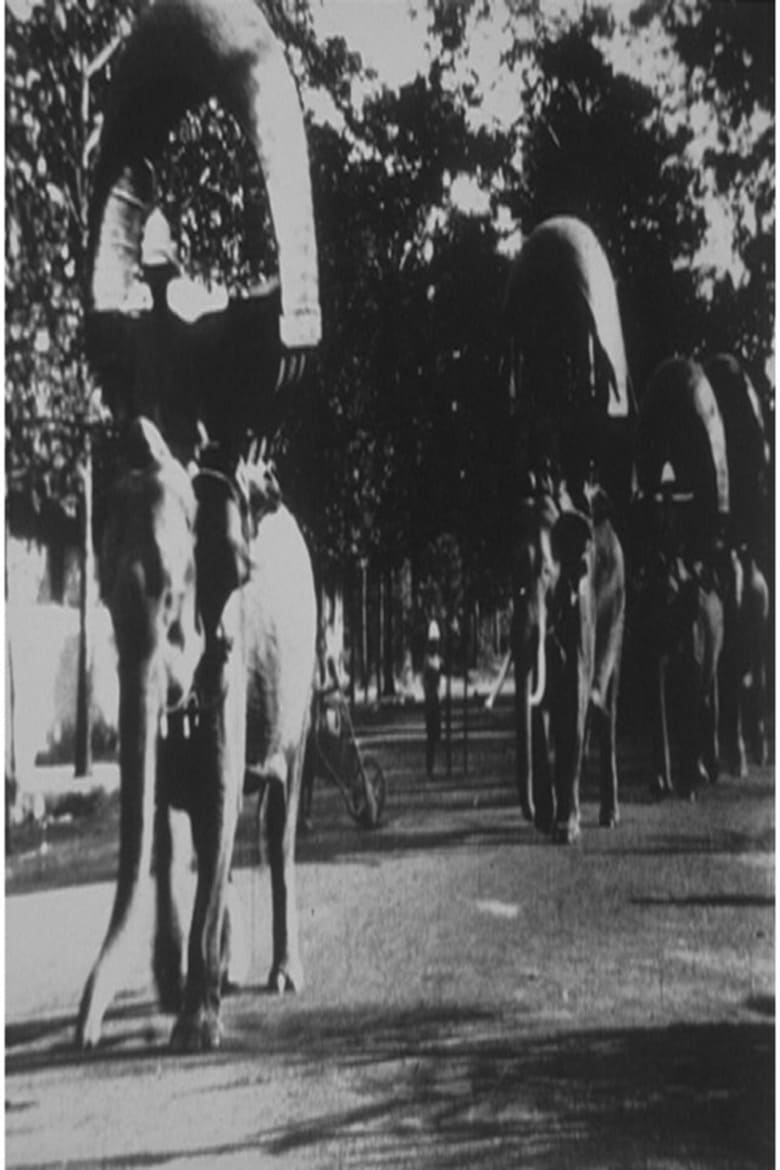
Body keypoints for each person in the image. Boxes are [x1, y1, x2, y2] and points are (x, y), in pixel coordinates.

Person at [423, 620, 443, 778]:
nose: (435, 646)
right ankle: (430, 768)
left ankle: (436, 766)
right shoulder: (428, 661)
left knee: (437, 735)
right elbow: (426, 681)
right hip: (431, 701)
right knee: (431, 737)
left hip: (437, 699)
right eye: (433, 643)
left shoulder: (438, 660)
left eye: (436, 643)